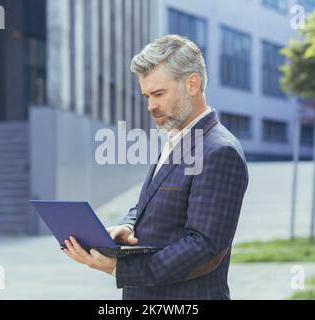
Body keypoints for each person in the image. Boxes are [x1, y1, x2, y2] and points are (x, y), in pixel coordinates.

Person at [63, 34, 249, 300]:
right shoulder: (178, 138)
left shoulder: (220, 151)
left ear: (192, 84)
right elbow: (151, 203)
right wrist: (128, 226)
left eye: (159, 93)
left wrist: (120, 269)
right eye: (146, 95)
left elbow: (204, 246)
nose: (151, 105)